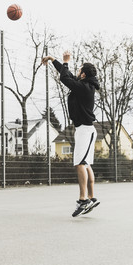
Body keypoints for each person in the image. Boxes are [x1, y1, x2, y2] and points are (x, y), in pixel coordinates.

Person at [42, 51, 101, 217]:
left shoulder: (84, 88)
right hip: (85, 130)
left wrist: (67, 62)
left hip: (85, 130)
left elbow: (65, 78)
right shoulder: (84, 85)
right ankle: (91, 197)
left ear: (82, 74)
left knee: (80, 163)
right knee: (85, 163)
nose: (77, 72)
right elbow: (66, 74)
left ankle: (83, 200)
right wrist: (54, 60)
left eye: (79, 70)